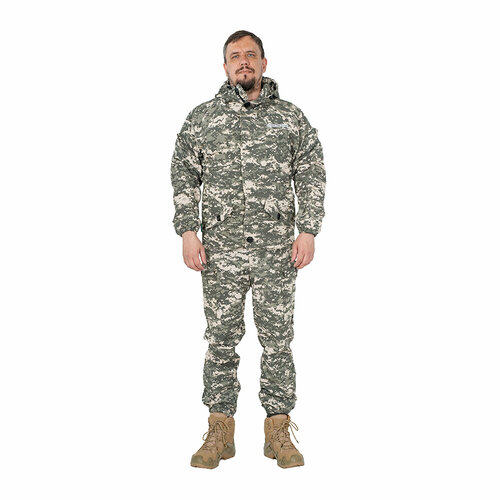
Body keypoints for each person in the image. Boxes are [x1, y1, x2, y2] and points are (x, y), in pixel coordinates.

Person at [170, 30, 326, 469]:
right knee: (221, 339)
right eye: (235, 56)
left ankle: (277, 431)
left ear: (263, 63)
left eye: (250, 55)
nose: (243, 61)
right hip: (220, 251)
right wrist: (187, 230)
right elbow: (183, 172)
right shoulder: (203, 118)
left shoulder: (290, 118)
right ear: (225, 66)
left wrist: (308, 229)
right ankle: (220, 430)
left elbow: (311, 170)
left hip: (278, 250)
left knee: (277, 341)